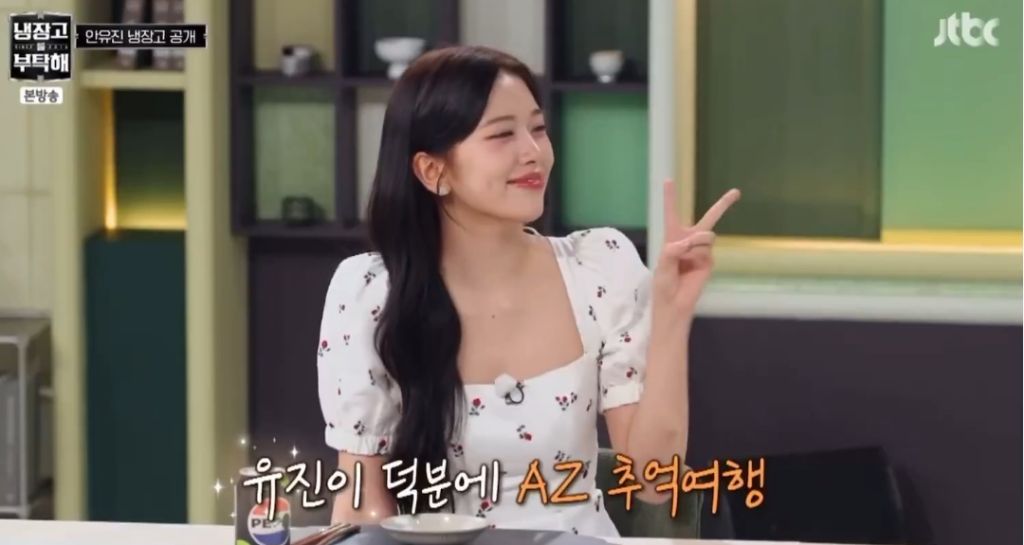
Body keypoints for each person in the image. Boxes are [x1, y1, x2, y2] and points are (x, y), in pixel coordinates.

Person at [316, 44, 740, 536]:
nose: (533, 152)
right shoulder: (370, 294)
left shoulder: (598, 270)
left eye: (538, 129)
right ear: (433, 171)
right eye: (502, 135)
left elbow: (653, 482)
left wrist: (671, 314)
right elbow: (362, 502)